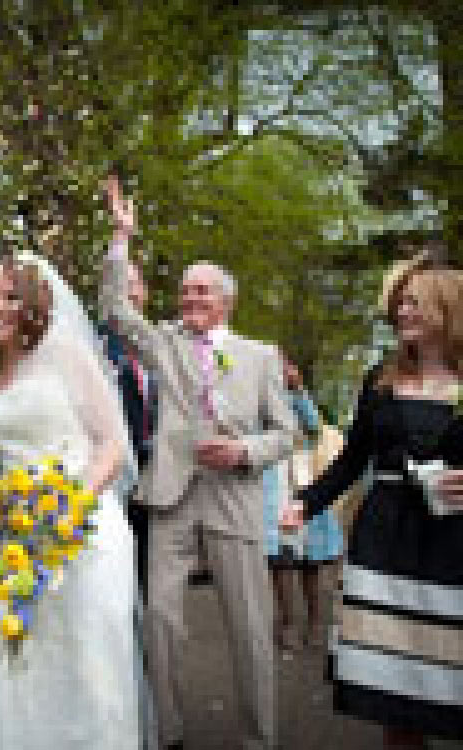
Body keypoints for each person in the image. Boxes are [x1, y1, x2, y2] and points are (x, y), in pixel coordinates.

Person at [105, 181, 297, 750]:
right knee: (160, 621)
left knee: (249, 628)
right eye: (186, 290)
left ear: (225, 301)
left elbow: (289, 433)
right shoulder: (163, 343)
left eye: (202, 292)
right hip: (171, 496)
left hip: (234, 496)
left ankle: (260, 738)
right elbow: (114, 309)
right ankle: (170, 733)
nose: (190, 299)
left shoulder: (262, 357)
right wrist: (121, 236)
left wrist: (245, 452)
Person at [0, 252, 146, 750]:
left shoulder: (65, 351)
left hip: (83, 531)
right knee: (20, 662)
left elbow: (112, 443)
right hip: (15, 535)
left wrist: (67, 507)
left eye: (11, 297)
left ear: (34, 304)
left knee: (87, 666)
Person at [286, 256, 463, 747]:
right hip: (385, 541)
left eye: (414, 302)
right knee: (396, 692)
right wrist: (306, 502)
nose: (401, 311)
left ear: (447, 309)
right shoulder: (380, 379)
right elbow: (352, 458)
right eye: (399, 302)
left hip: (453, 546)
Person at [263, 358, 342, 651]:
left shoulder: (297, 398)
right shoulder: (260, 396)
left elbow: (313, 430)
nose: (281, 370)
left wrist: (298, 390)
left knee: (310, 563)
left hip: (303, 483)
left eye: (286, 366)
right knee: (281, 562)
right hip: (274, 485)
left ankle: (314, 623)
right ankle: (287, 624)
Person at [98, 231, 157, 599]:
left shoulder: (161, 343)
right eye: (124, 283)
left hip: (156, 479)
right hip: (115, 474)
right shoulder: (100, 341)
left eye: (135, 284)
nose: (129, 291)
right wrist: (120, 237)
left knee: (149, 578)